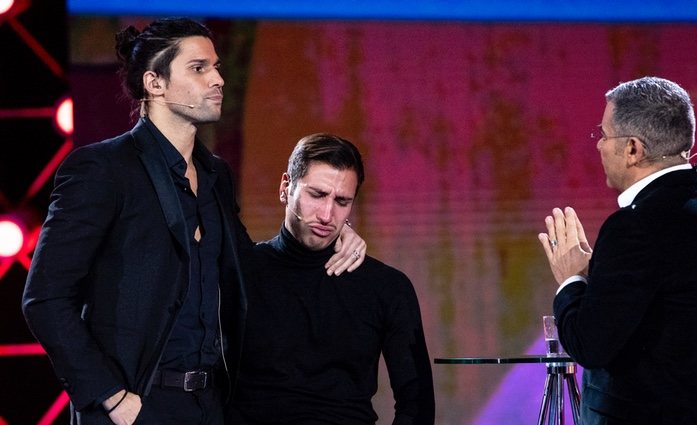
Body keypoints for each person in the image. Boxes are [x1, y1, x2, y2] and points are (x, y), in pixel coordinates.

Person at [22, 18, 365, 425]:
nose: (218, 79)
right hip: (137, 407)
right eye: (199, 68)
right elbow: (45, 298)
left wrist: (329, 231)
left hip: (209, 404)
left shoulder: (215, 175)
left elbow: (249, 270)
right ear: (155, 83)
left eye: (216, 67)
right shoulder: (103, 169)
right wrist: (111, 397)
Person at [538, 76, 697, 424]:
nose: (599, 146)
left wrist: (572, 279)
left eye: (604, 135)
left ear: (633, 148)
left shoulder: (635, 227)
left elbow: (589, 345)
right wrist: (603, 281)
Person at [226, 133, 435, 425]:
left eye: (342, 201)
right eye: (318, 195)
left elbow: (417, 402)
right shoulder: (240, 272)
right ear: (286, 187)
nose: (327, 215)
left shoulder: (386, 288)